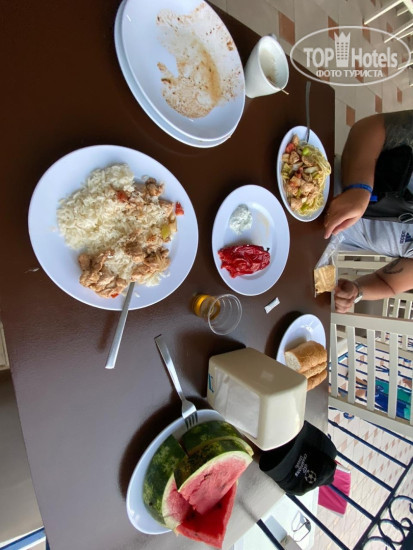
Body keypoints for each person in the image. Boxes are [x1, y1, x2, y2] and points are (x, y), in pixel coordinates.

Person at [323, 110, 413, 313]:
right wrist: (359, 189)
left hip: (314, 240)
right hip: (314, 180)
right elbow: (368, 128)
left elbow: (389, 283)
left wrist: (358, 291)